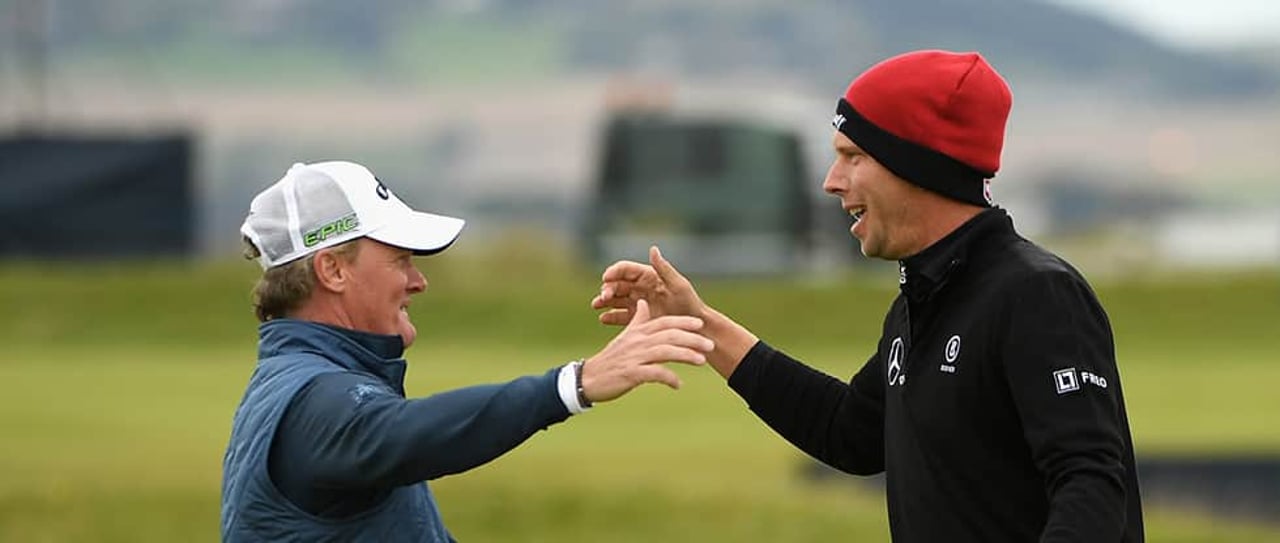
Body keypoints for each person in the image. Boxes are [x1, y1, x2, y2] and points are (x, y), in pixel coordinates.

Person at [592, 50, 1144, 542]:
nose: (832, 181)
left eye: (853, 155)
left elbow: (1091, 482)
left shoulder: (1035, 293)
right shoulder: (920, 302)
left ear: (917, 164)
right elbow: (850, 432)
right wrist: (702, 325)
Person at [221, 161, 714, 542]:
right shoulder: (317, 400)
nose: (418, 281)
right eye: (400, 260)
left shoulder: (296, 382)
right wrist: (574, 384)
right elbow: (406, 433)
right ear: (332, 271)